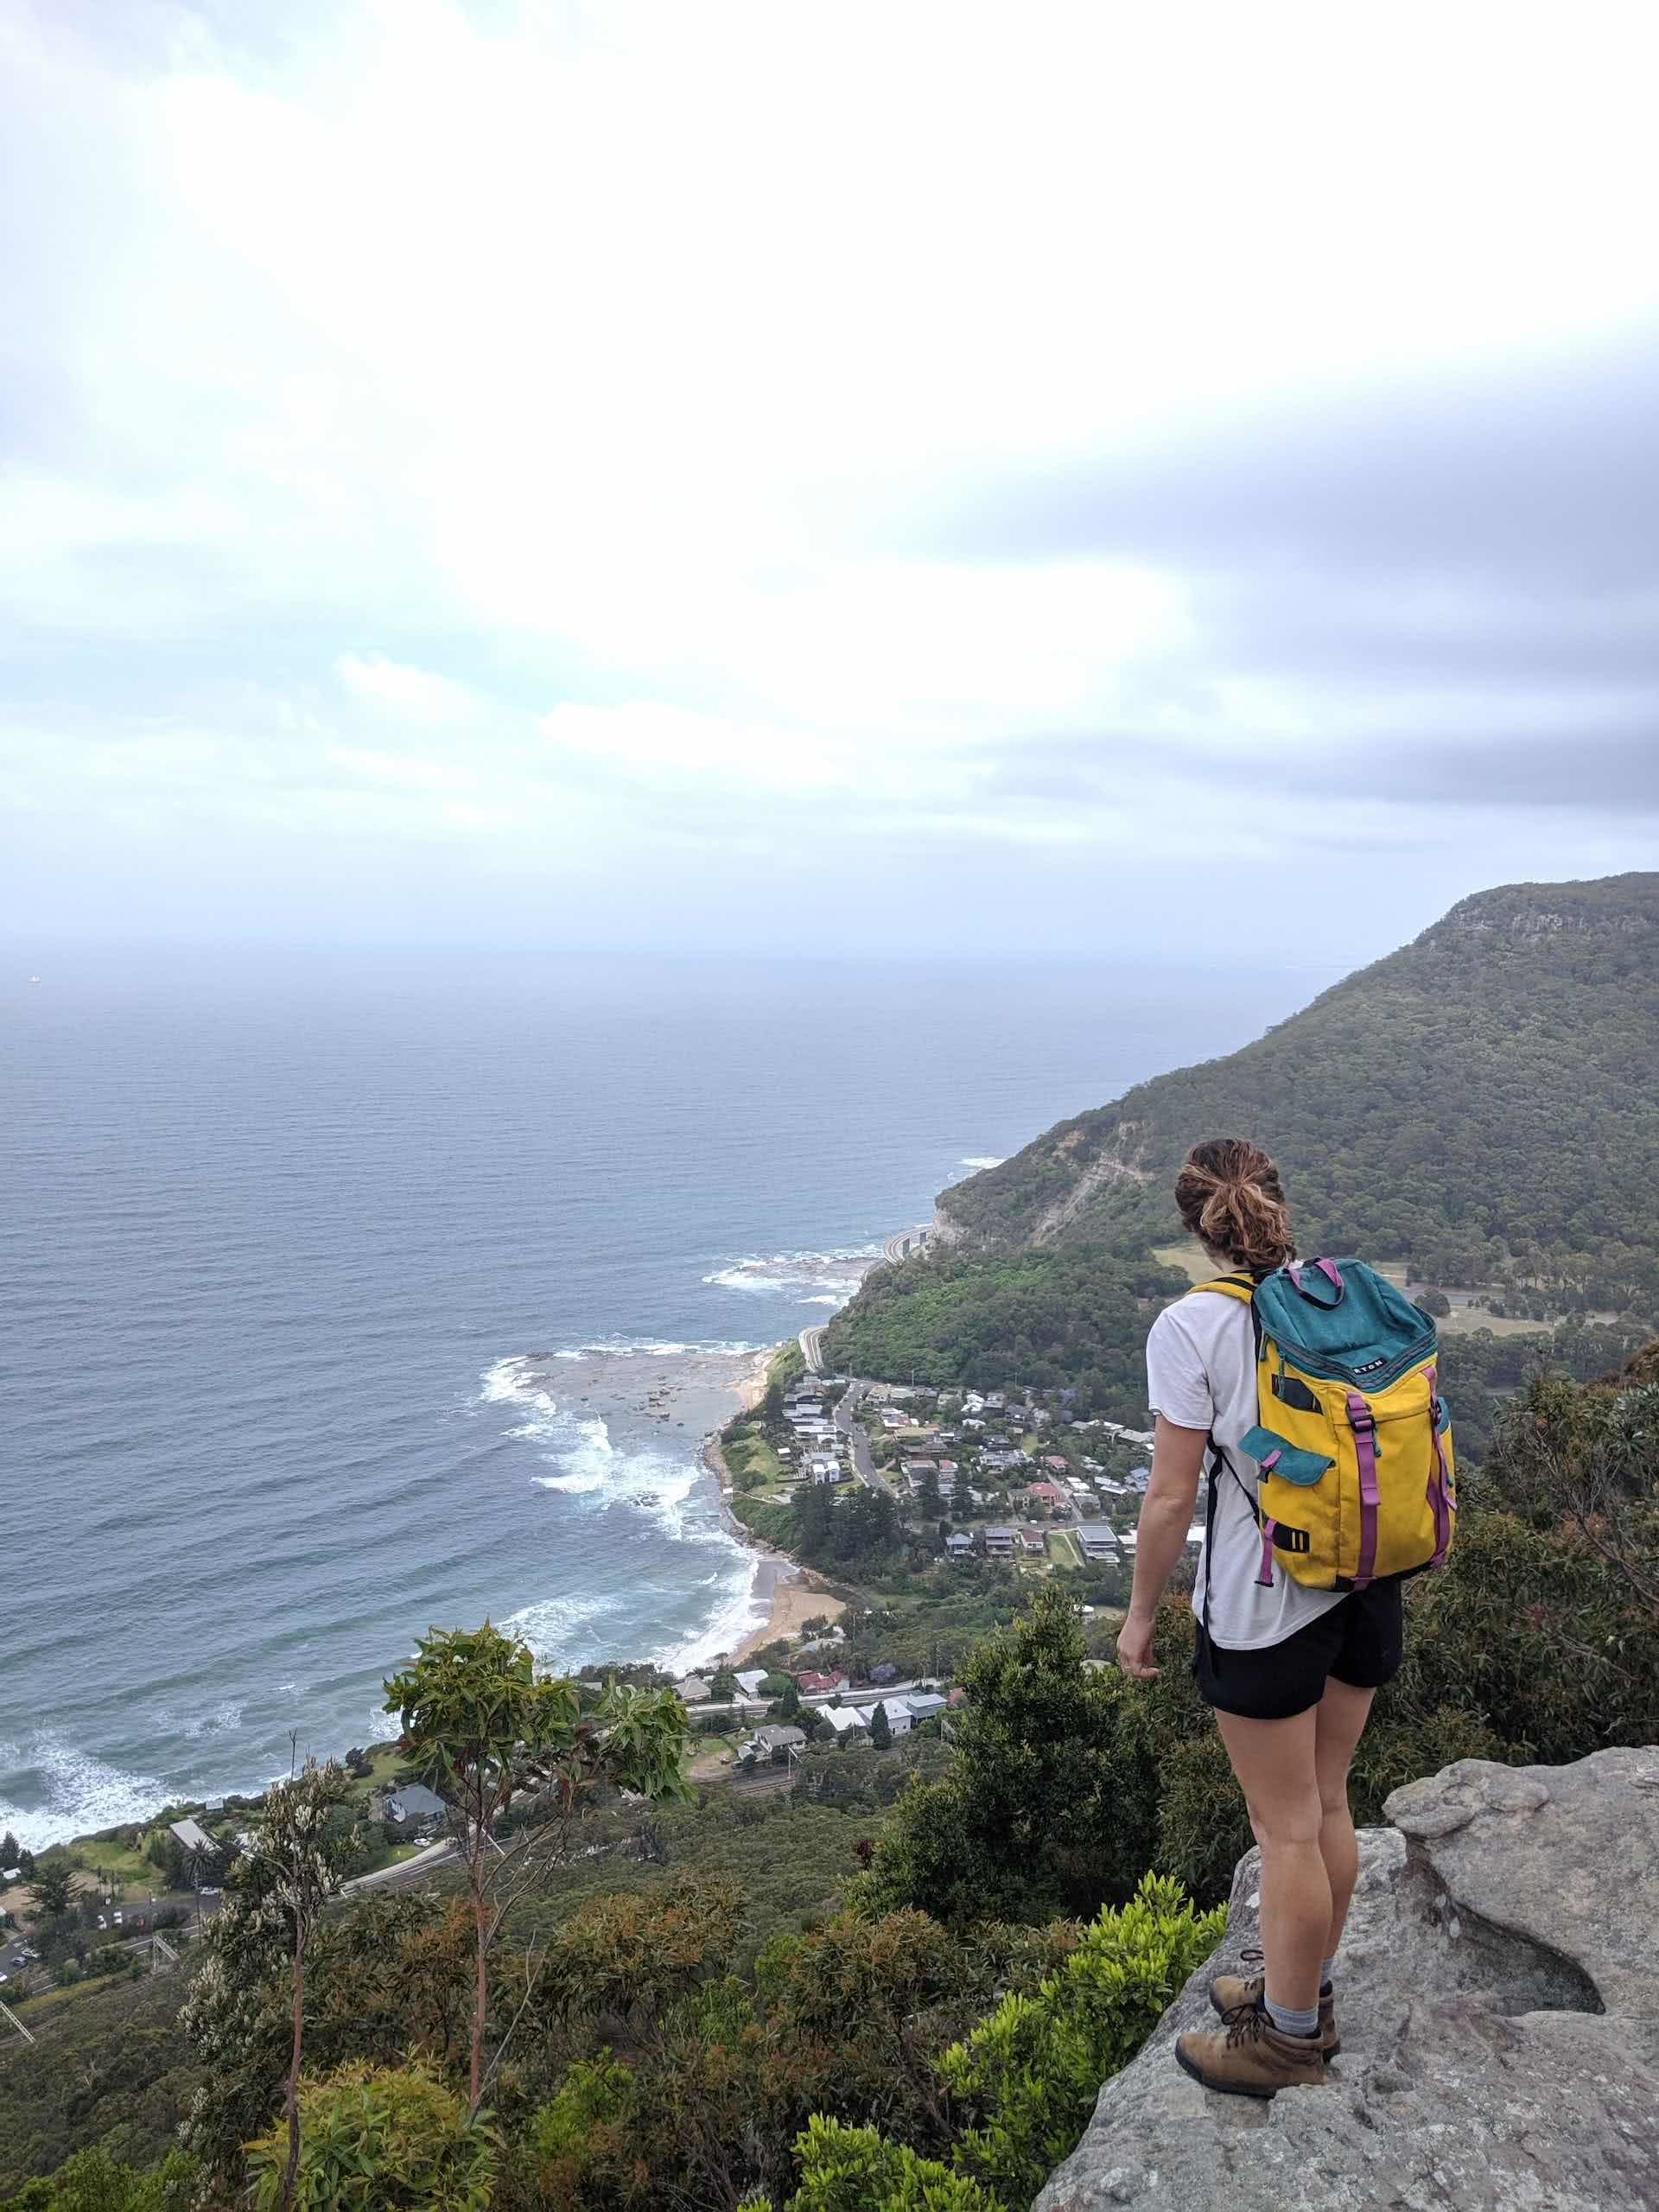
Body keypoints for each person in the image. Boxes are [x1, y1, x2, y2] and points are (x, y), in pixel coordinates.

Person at [1115, 1136, 1404, 2099]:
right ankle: (1301, 1991)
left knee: (1283, 1829)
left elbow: (1168, 1498)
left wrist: (1140, 1615)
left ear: (1198, 1228)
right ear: (1275, 1206)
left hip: (1267, 1598)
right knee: (1324, 1804)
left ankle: (1284, 2041)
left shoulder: (1190, 1326)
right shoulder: (1341, 1291)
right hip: (1367, 1581)